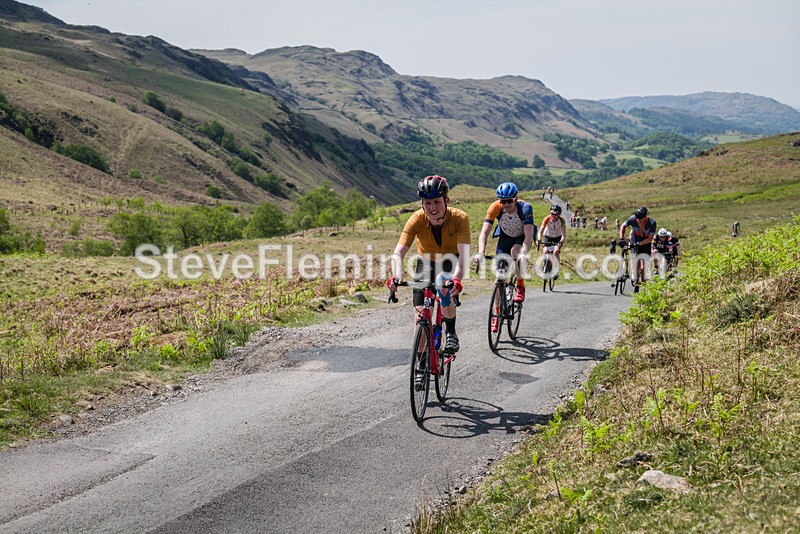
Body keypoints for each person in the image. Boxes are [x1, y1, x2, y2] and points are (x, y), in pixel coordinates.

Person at [388, 175, 470, 353]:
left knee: (443, 285)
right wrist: (397, 275)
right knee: (420, 316)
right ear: (422, 204)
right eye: (427, 203)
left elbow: (464, 255)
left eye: (436, 202)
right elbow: (398, 253)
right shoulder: (416, 219)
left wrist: (457, 279)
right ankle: (421, 366)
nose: (432, 208)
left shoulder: (460, 218)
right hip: (425, 264)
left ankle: (451, 332)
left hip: (451, 261)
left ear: (446, 200)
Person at [474, 182, 535, 311]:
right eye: (503, 201)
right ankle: (496, 313)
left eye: (509, 201)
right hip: (505, 237)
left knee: (515, 252)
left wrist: (524, 252)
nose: (506, 205)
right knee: (498, 279)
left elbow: (529, 236)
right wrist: (480, 252)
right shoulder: (495, 207)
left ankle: (520, 285)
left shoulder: (525, 208)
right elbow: (484, 233)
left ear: (515, 199)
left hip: (521, 236)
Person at [620, 206, 656, 292]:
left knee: (644, 266)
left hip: (645, 244)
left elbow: (650, 239)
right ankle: (637, 282)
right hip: (635, 243)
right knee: (636, 264)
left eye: (641, 219)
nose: (639, 221)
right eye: (638, 219)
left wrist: (639, 243)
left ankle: (643, 283)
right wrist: (621, 238)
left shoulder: (652, 223)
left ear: (645, 217)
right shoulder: (632, 219)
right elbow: (623, 226)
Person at [537, 204, 567, 273]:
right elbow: (541, 230)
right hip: (548, 236)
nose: (553, 216)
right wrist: (539, 239)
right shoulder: (547, 218)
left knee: (556, 251)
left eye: (555, 214)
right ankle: (545, 265)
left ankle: (556, 268)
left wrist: (561, 242)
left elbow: (564, 234)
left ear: (559, 214)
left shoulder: (562, 221)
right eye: (551, 214)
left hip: (558, 237)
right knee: (545, 251)